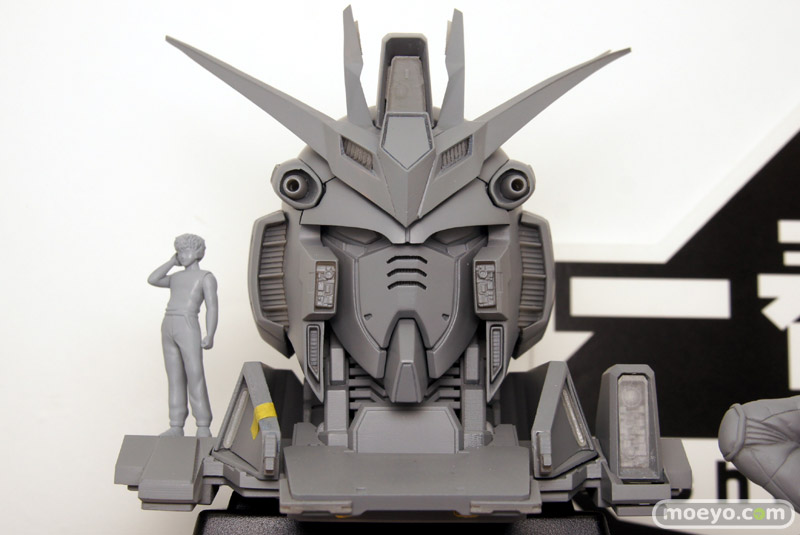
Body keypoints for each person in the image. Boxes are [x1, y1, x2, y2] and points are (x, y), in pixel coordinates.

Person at [148, 234, 218, 437]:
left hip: (187, 323)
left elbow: (212, 307)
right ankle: (176, 424)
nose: (182, 255)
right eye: (179, 251)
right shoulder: (176, 277)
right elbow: (153, 279)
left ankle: (203, 424)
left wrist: (210, 333)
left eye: (185, 251)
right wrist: (172, 261)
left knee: (195, 373)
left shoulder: (206, 277)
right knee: (174, 376)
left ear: (198, 252)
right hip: (168, 323)